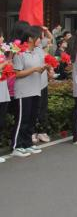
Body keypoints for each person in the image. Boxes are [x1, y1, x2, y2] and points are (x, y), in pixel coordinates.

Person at [11, 26, 53, 156]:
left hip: (36, 90)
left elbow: (40, 67)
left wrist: (46, 68)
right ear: (30, 39)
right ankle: (17, 146)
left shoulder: (36, 52)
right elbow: (17, 73)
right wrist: (34, 69)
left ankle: (27, 144)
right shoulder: (20, 53)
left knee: (31, 119)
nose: (40, 40)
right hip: (23, 92)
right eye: (38, 37)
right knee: (22, 120)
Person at [0, 29, 10, 163]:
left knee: (1, 122)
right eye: (0, 37)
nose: (2, 39)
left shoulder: (2, 52)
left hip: (3, 92)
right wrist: (4, 64)